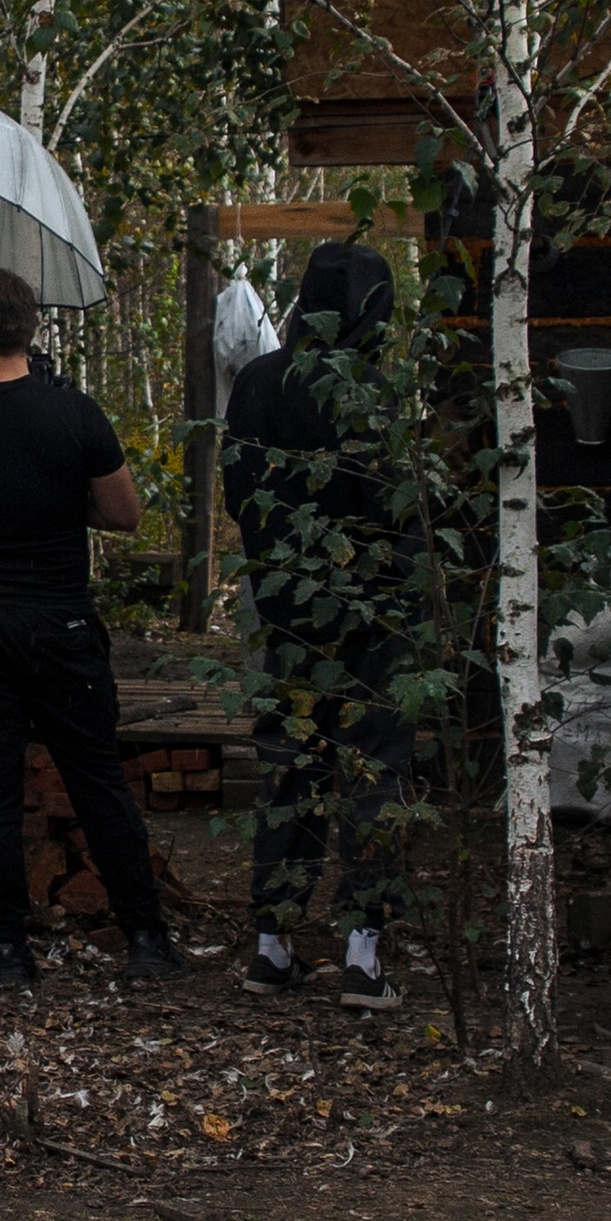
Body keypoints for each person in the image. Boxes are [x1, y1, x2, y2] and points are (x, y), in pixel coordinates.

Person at [0, 264, 179, 989]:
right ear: (29, 330)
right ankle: (145, 938)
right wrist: (59, 509)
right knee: (97, 780)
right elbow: (124, 514)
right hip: (60, 624)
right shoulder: (75, 413)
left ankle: (8, 952)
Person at [221, 241, 411, 1011]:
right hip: (369, 623)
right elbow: (395, 510)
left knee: (290, 768)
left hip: (288, 616)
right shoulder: (373, 393)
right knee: (372, 771)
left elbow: (239, 492)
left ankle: (273, 945)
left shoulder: (258, 382)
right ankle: (363, 955)